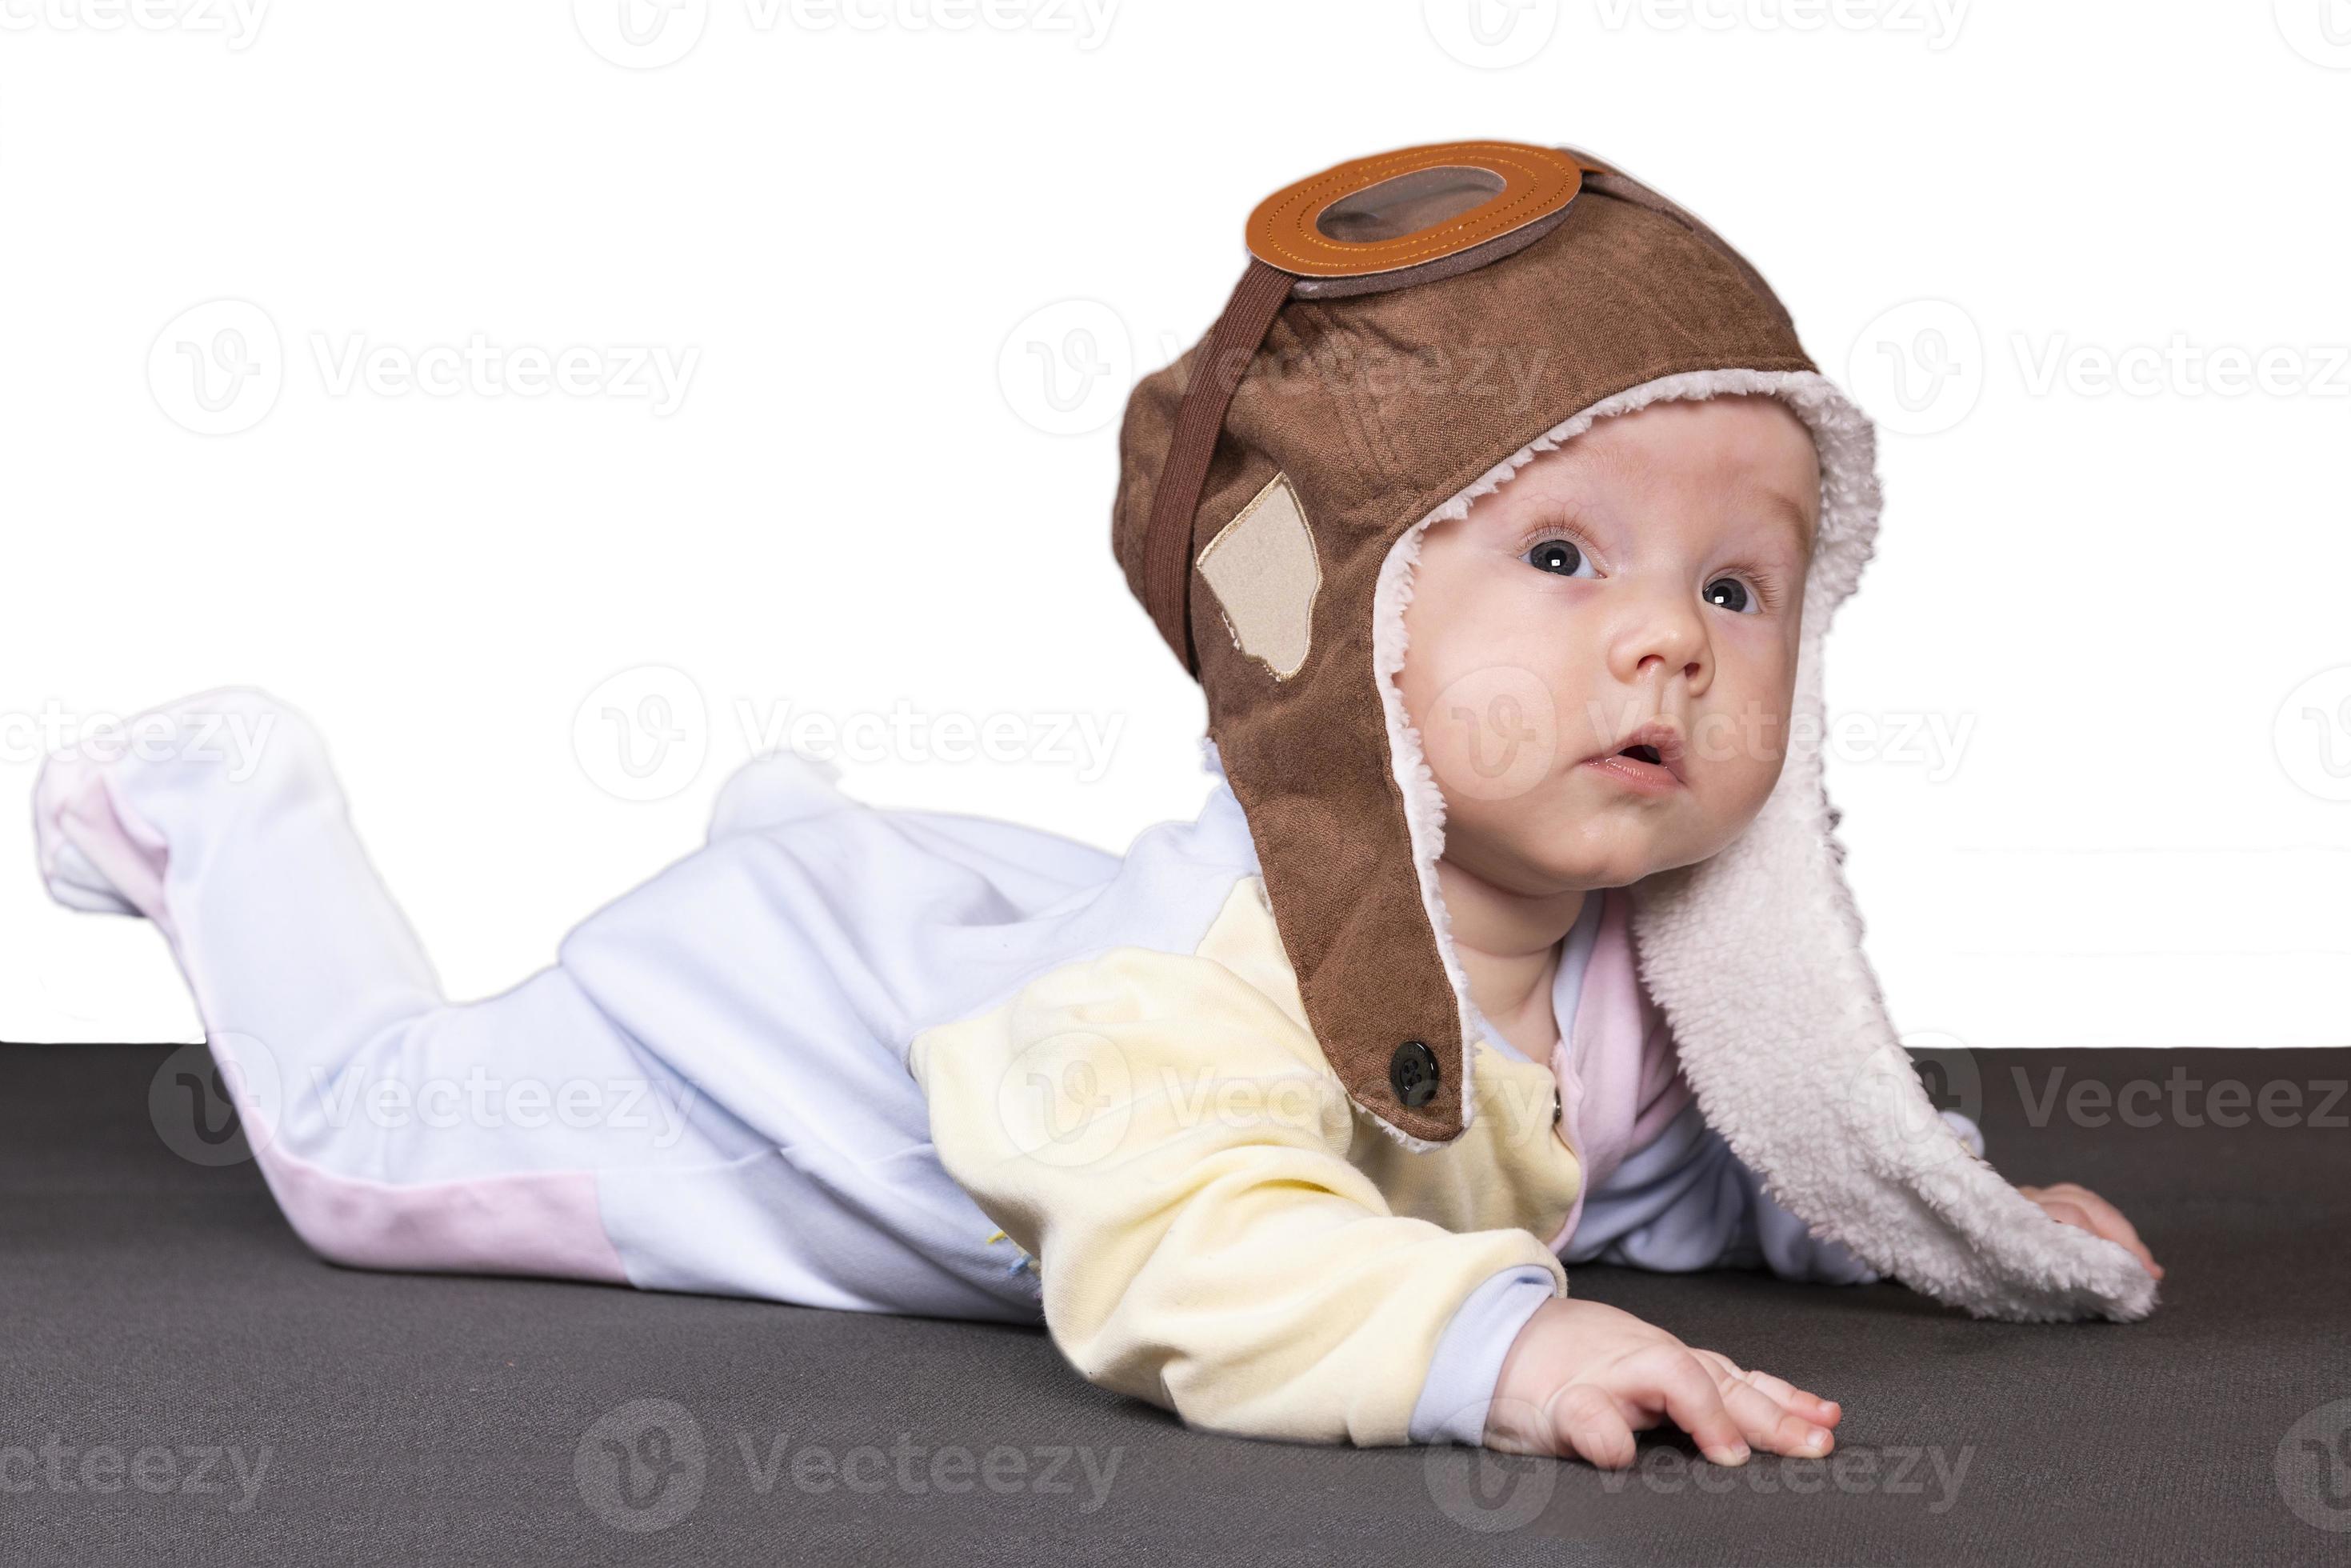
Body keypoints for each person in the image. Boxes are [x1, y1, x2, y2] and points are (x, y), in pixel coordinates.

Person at [31, 139, 2159, 1468]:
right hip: (724, 1065)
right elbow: (1174, 1246)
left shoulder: (1626, 983)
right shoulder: (1203, 988)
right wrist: (1482, 1349)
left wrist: (1899, 1206)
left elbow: (1666, 1188)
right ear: (1343, 622)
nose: (1672, 644)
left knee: (977, 924)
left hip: (981, 955)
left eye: (1733, 583)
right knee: (364, 1149)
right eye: (1558, 557)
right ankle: (223, 806)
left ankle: (793, 836)